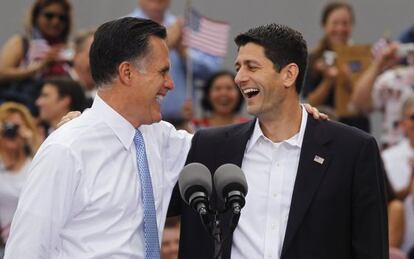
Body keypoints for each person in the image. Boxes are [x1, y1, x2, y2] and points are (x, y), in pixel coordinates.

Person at [168, 23, 388, 259]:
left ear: (289, 74)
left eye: (252, 67)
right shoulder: (208, 147)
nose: (240, 78)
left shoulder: (352, 150)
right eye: (238, 67)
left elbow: (371, 248)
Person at [3, 17, 193, 258]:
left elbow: (230, 147)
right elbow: (26, 250)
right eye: (163, 71)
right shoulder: (66, 149)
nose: (170, 84)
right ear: (127, 72)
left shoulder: (161, 137)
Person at [128, 0, 222, 125]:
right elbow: (124, 65)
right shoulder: (124, 28)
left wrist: (184, 53)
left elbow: (211, 74)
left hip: (182, 124)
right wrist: (166, 43)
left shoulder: (183, 27)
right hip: (139, 122)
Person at [0, 0, 73, 114]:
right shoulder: (22, 43)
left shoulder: (68, 50)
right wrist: (39, 66)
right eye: (49, 16)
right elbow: (2, 73)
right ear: (36, 17)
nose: (55, 21)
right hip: (19, 112)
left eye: (61, 18)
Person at [0, 102, 41, 245]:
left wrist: (31, 142)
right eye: (7, 126)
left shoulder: (36, 162)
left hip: (31, 240)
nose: (11, 132)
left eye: (16, 127)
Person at [70, 29, 96, 107]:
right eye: (94, 55)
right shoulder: (55, 87)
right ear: (76, 54)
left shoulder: (108, 93)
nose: (100, 63)